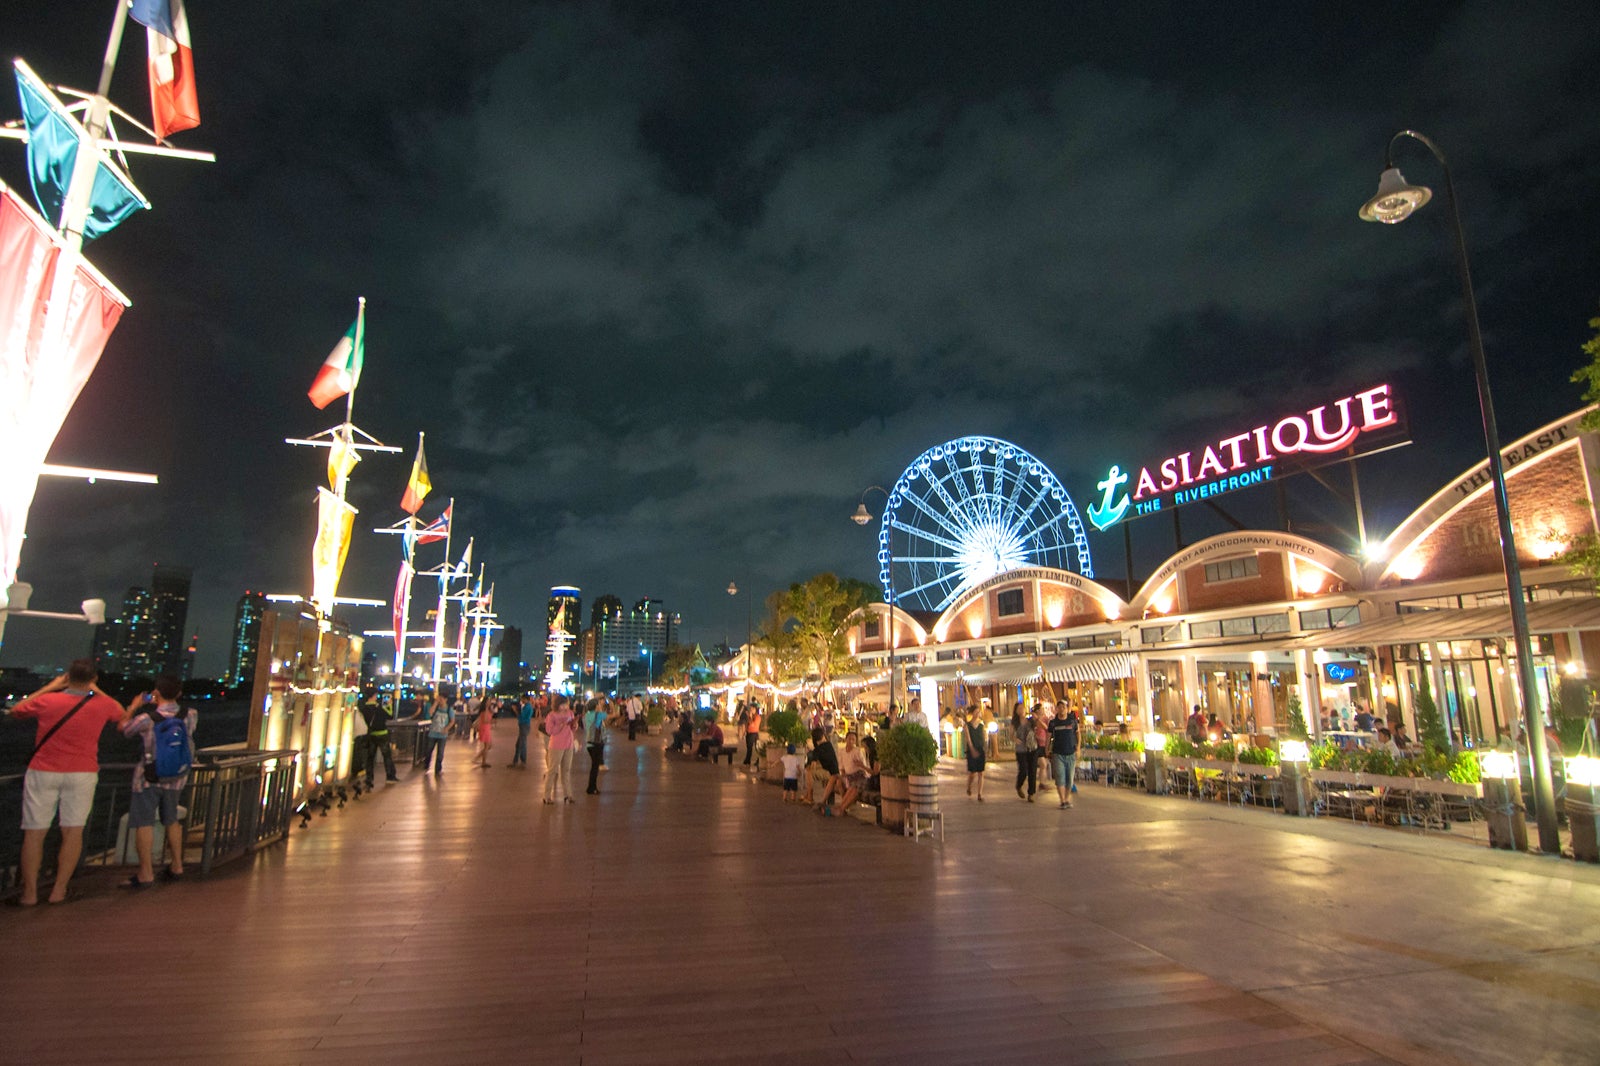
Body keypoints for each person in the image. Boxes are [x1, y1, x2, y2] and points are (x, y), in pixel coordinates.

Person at [5, 660, 124, 905]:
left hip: (43, 771)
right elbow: (121, 713)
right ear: (93, 679)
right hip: (82, 772)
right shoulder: (101, 705)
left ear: (67, 677)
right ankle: (59, 890)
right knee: (73, 831)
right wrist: (95, 689)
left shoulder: (49, 701)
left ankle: (29, 893)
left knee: (34, 833)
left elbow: (16, 710)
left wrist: (50, 687)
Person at [119, 675, 199, 887]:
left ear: (156, 693)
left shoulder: (147, 719)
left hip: (148, 777)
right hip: (177, 778)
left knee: (143, 822)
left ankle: (146, 872)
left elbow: (124, 729)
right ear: (179, 694)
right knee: (171, 820)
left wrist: (134, 706)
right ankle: (177, 865)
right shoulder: (190, 715)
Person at [817, 732, 870, 816]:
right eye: (849, 739)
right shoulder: (842, 751)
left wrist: (860, 766)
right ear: (846, 739)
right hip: (848, 776)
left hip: (858, 776)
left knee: (854, 788)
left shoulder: (857, 751)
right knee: (838, 781)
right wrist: (843, 776)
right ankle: (838, 806)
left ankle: (842, 808)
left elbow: (862, 768)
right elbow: (842, 768)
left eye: (853, 740)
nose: (851, 741)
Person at [542, 696, 578, 804]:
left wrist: (574, 725)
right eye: (562, 704)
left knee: (566, 770)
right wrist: (561, 725)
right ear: (557, 705)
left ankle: (568, 794)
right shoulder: (551, 715)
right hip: (556, 745)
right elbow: (549, 731)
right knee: (552, 770)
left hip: (569, 743)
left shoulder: (570, 713)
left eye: (566, 704)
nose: (565, 707)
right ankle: (546, 795)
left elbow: (572, 728)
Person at [360, 695, 398, 785]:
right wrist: (389, 705)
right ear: (374, 696)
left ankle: (369, 778)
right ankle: (390, 776)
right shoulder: (379, 707)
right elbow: (390, 715)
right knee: (387, 756)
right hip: (382, 734)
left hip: (371, 735)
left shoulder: (363, 708)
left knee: (370, 757)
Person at [1048, 704, 1080, 809]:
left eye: (1064, 707)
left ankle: (1067, 799)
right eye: (1059, 707)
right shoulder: (1053, 723)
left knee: (1069, 779)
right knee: (1060, 777)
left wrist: (1078, 748)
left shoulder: (1072, 722)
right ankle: (1062, 800)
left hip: (1070, 753)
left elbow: (1078, 734)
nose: (1062, 709)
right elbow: (1049, 737)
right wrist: (1047, 749)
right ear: (1057, 709)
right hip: (1058, 754)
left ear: (1067, 709)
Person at [803, 727, 839, 805]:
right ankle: (808, 795)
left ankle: (810, 797)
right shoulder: (828, 745)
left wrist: (809, 767)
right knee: (809, 771)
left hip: (831, 774)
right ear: (823, 736)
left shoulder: (818, 749)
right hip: (833, 771)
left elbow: (813, 765)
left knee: (809, 773)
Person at [1012, 702, 1039, 802]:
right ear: (1016, 711)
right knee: (1023, 770)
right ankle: (1019, 785)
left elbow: (1041, 727)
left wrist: (1037, 718)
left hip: (1032, 748)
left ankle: (1031, 793)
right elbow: (1011, 734)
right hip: (1021, 750)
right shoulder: (1015, 723)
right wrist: (1015, 739)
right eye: (1019, 708)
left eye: (1022, 708)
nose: (1021, 710)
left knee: (1032, 771)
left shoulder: (1030, 721)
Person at [583, 699, 607, 795]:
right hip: (597, 743)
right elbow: (614, 714)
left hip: (589, 743)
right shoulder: (598, 715)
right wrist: (601, 708)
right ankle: (592, 788)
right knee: (595, 767)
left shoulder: (586, 715)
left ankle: (591, 787)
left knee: (594, 766)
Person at [424, 692, 452, 775]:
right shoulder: (436, 707)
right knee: (429, 750)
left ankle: (438, 769)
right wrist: (435, 703)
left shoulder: (449, 709)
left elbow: (452, 721)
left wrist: (446, 728)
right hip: (433, 733)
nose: (440, 701)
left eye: (442, 699)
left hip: (442, 735)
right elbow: (430, 713)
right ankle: (426, 765)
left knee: (440, 753)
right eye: (439, 699)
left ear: (446, 699)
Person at [963, 711, 987, 801]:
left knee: (981, 772)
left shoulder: (981, 725)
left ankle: (979, 794)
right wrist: (972, 749)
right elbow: (968, 739)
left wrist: (985, 749)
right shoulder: (967, 726)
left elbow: (984, 737)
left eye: (979, 712)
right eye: (976, 712)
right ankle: (969, 787)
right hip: (971, 750)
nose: (978, 714)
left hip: (980, 750)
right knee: (972, 773)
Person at [510, 695, 535, 767]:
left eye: (522, 699)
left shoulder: (527, 707)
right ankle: (517, 761)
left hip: (524, 725)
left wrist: (515, 711)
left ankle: (521, 761)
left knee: (522, 744)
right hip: (524, 725)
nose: (521, 700)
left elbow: (522, 716)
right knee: (519, 744)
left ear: (525, 699)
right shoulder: (527, 706)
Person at [472, 696, 494, 769]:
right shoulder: (485, 710)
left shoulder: (487, 709)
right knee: (487, 746)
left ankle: (477, 758)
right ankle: (483, 762)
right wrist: (491, 721)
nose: (489, 702)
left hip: (486, 728)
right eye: (488, 701)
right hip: (484, 728)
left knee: (488, 746)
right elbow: (485, 720)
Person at [742, 701, 762, 766]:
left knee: (756, 748)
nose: (751, 710)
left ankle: (751, 760)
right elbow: (747, 725)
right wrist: (744, 732)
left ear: (755, 709)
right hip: (749, 733)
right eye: (750, 709)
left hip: (754, 733)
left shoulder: (757, 717)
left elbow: (753, 725)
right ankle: (748, 760)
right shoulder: (750, 716)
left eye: (752, 709)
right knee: (749, 747)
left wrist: (750, 717)